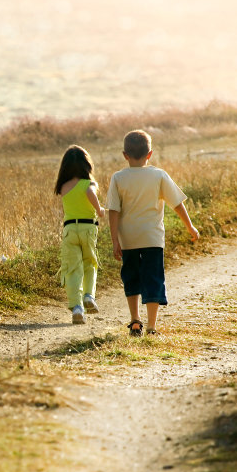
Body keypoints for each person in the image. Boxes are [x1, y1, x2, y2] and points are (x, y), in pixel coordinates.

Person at [107, 129, 199, 337]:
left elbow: (113, 211)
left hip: (128, 238)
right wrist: (190, 226)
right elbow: (177, 204)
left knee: (131, 277)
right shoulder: (158, 175)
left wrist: (115, 241)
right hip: (152, 238)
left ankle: (135, 321)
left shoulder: (118, 178)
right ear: (150, 154)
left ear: (125, 155)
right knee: (153, 278)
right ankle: (151, 326)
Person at [55, 145, 105, 324]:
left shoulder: (63, 186)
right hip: (88, 228)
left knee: (72, 268)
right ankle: (89, 296)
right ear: (87, 165)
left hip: (69, 230)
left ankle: (76, 307)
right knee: (90, 263)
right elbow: (90, 192)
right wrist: (99, 209)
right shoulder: (90, 183)